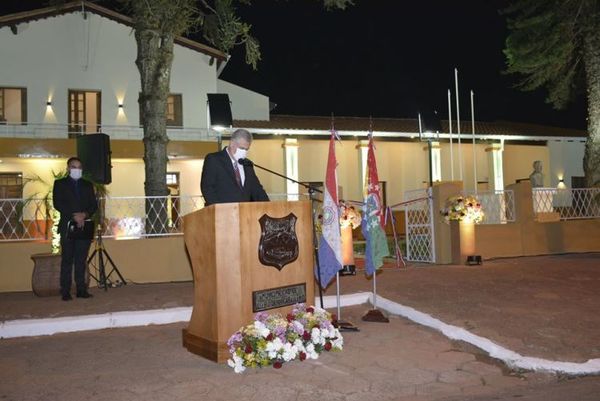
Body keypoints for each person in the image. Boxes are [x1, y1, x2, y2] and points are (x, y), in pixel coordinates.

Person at [52, 157, 98, 301]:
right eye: (73, 167)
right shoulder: (60, 184)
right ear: (68, 169)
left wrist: (84, 214)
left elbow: (93, 205)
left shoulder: (87, 185)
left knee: (81, 259)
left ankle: (81, 290)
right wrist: (74, 215)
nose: (76, 169)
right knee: (67, 260)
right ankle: (65, 291)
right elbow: (57, 203)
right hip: (67, 225)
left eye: (79, 167)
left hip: (83, 226)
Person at [201, 129, 269, 206]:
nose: (244, 152)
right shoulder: (214, 159)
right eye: (242, 148)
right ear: (232, 143)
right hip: (222, 213)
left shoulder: (247, 164)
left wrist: (269, 206)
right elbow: (207, 188)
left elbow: (257, 190)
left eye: (247, 149)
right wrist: (218, 209)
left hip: (245, 213)